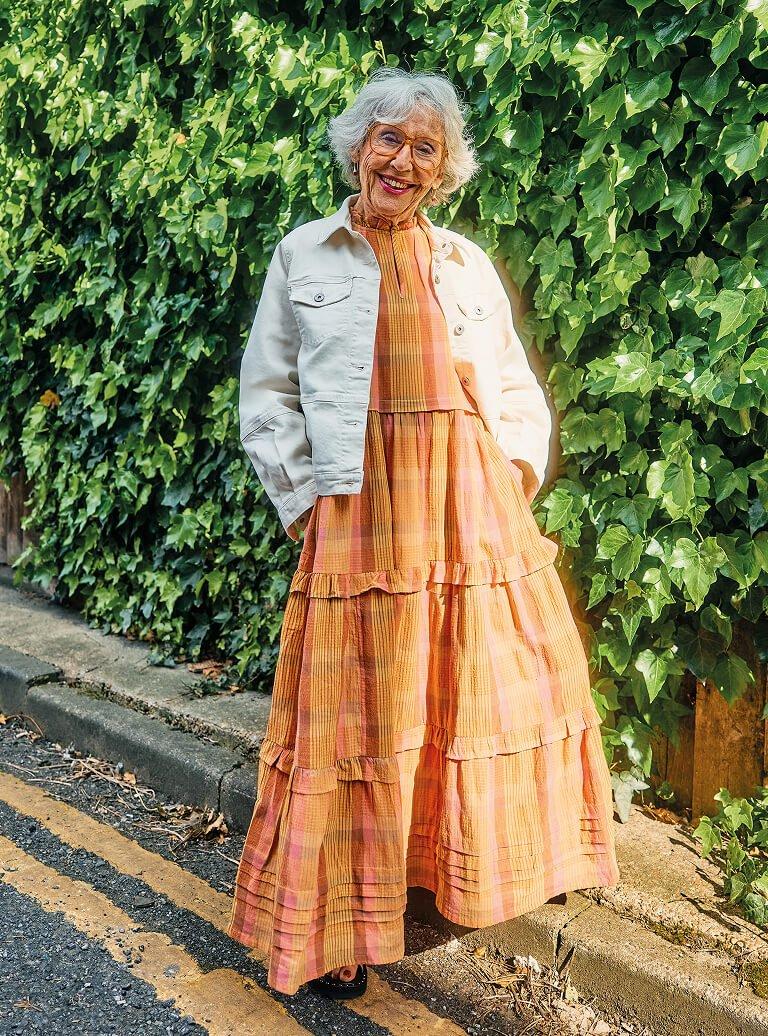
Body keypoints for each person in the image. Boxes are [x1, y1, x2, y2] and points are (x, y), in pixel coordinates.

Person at [227, 66, 620, 1000]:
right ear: (358, 148)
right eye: (389, 140)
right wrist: (305, 500)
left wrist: (514, 476)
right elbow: (267, 394)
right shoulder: (304, 255)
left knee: (489, 685)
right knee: (354, 713)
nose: (403, 159)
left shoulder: (465, 264)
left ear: (444, 172)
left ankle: (463, 870)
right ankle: (335, 933)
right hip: (359, 506)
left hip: (465, 504)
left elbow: (513, 384)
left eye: (425, 148)